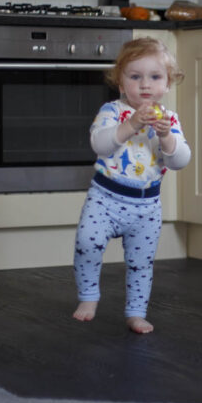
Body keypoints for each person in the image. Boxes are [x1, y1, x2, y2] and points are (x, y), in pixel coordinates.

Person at [72, 37, 190, 334]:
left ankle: (136, 313)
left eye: (155, 77)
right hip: (106, 197)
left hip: (146, 206)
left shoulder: (170, 120)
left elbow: (179, 161)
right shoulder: (112, 112)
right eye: (135, 77)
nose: (145, 85)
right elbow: (100, 145)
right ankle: (88, 296)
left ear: (167, 85)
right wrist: (132, 125)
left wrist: (166, 137)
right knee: (88, 242)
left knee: (141, 263)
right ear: (121, 83)